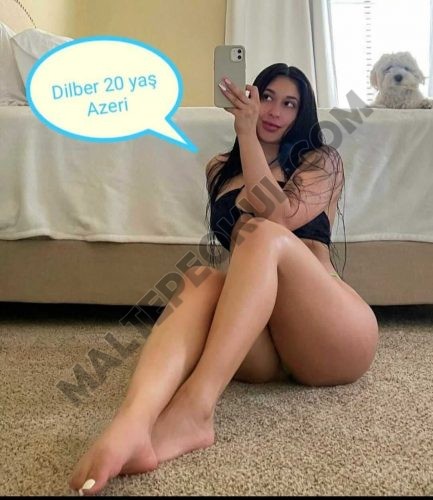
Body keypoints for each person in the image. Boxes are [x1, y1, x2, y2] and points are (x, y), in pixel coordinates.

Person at [69, 63, 379, 496]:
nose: (274, 111)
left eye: (289, 104)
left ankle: (196, 408)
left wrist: (247, 134)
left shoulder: (320, 160)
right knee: (200, 276)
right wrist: (246, 142)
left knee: (260, 231)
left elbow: (278, 215)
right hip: (263, 344)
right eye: (267, 97)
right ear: (250, 96)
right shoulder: (219, 167)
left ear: (302, 113)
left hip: (331, 334)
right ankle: (133, 422)